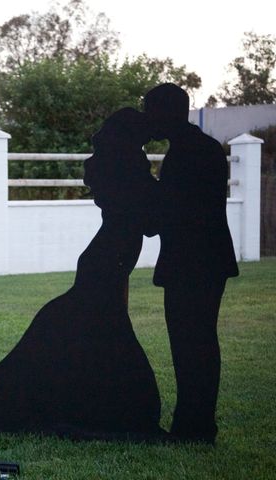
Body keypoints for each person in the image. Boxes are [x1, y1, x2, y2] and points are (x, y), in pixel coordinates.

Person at [0, 108, 164, 440]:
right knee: (20, 376)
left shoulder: (125, 217)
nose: (95, 190)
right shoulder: (122, 215)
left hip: (87, 316)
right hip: (81, 313)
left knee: (20, 380)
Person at [144, 83, 239, 444]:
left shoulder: (185, 155)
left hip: (191, 263)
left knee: (190, 345)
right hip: (207, 261)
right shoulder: (202, 148)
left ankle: (194, 428)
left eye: (150, 110)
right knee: (198, 343)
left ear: (166, 113)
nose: (147, 118)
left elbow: (164, 218)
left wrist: (144, 186)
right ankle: (195, 424)